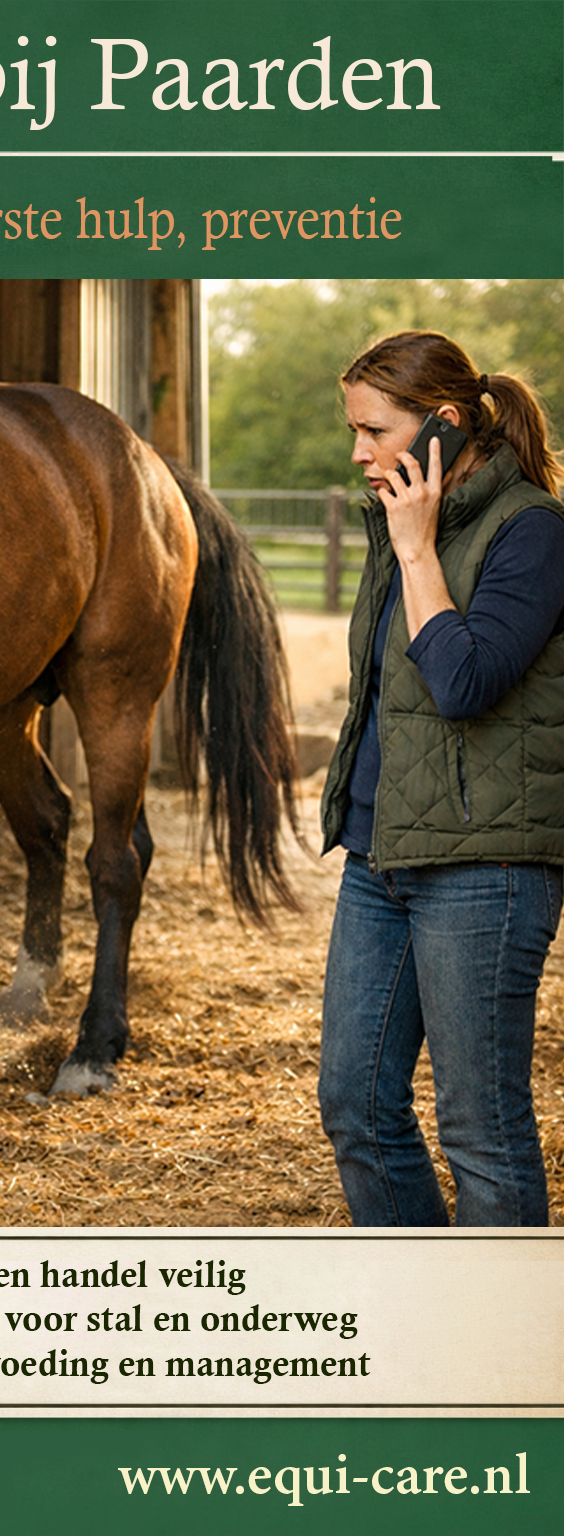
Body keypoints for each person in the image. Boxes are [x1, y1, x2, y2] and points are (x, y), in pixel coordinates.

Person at [318, 329, 564, 1226]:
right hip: (381, 857)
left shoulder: (532, 532)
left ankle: (495, 1355)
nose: (358, 452)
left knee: (481, 1134)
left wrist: (418, 552)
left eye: (374, 430)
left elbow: (462, 683)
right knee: (355, 1109)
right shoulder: (404, 522)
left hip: (485, 871)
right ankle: (425, 1317)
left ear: (445, 425)